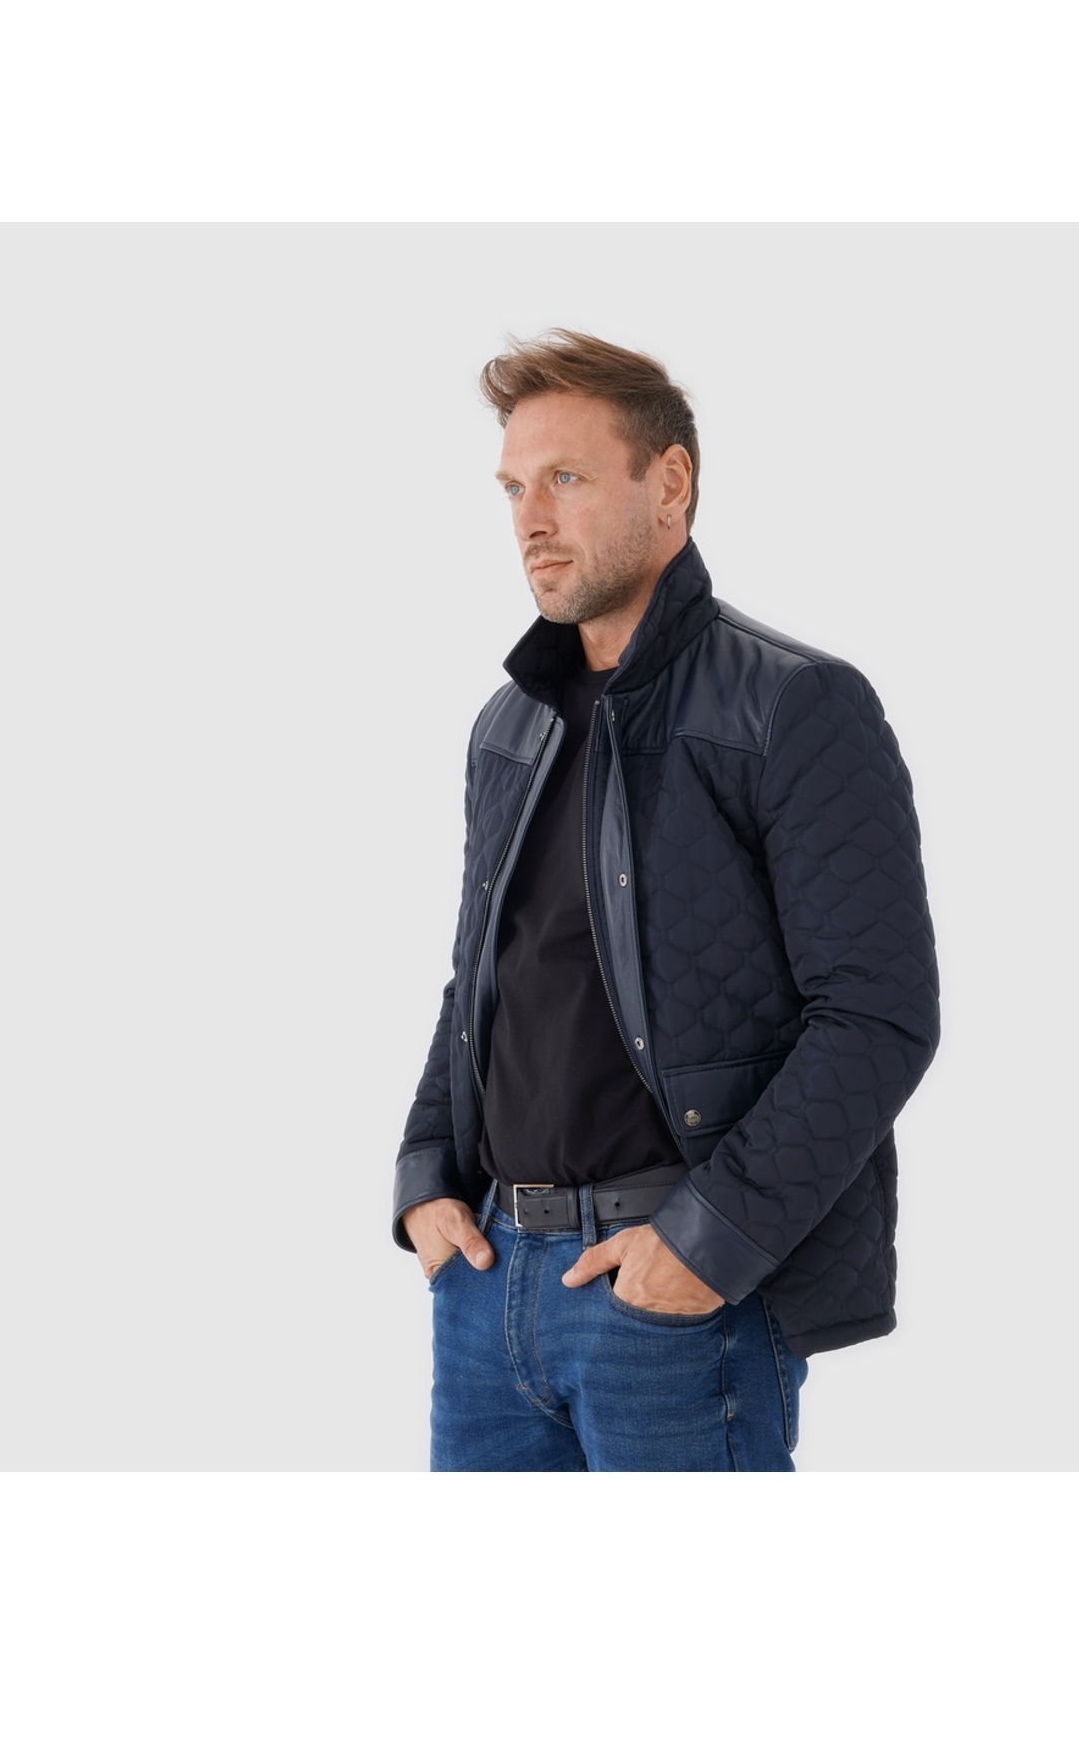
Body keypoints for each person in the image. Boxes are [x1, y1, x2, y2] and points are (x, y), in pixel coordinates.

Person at [392, 329, 939, 1472]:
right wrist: (425, 1181)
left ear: (671, 483)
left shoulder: (794, 706)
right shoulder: (508, 727)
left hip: (674, 1303)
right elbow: (480, 981)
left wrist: (703, 1243)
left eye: (567, 477)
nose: (531, 518)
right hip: (487, 1290)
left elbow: (877, 1015)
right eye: (513, 488)